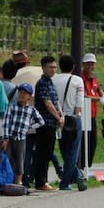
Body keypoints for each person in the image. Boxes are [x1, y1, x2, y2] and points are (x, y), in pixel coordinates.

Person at [52, 55, 86, 191]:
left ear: (59, 66)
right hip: (73, 119)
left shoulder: (53, 80)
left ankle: (76, 176)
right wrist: (75, 116)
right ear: (73, 66)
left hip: (58, 118)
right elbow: (79, 102)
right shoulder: (78, 80)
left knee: (64, 150)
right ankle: (65, 182)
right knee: (72, 151)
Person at [1, 84, 45, 186]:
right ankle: (5, 184)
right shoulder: (12, 107)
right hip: (10, 137)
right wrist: (5, 138)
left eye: (24, 93)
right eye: (20, 92)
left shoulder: (31, 110)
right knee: (7, 160)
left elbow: (41, 121)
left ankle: (17, 184)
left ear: (30, 96)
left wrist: (29, 126)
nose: (21, 95)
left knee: (20, 162)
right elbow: (6, 122)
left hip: (21, 138)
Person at [10, 49, 42, 186]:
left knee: (24, 153)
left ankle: (25, 178)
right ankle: (32, 176)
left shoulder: (15, 79)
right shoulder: (35, 76)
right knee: (35, 152)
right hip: (33, 122)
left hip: (20, 126)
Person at [33, 56, 63, 191]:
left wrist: (61, 116)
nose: (53, 69)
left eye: (55, 67)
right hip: (44, 123)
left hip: (52, 123)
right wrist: (57, 117)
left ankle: (43, 180)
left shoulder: (51, 82)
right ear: (43, 68)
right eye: (50, 67)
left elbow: (55, 101)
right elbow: (48, 103)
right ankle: (40, 182)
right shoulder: (42, 83)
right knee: (44, 153)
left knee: (48, 152)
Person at [78, 52, 103, 168]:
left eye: (92, 64)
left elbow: (99, 90)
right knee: (84, 142)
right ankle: (82, 166)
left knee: (93, 142)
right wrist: (100, 99)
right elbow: (84, 96)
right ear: (83, 64)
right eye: (88, 64)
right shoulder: (81, 78)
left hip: (92, 114)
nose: (90, 67)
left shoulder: (93, 79)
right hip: (84, 114)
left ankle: (89, 165)